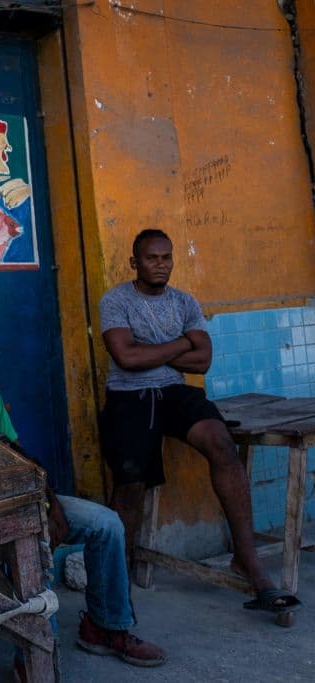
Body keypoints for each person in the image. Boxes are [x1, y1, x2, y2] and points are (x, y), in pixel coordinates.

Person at [0, 330, 166, 670]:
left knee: (107, 524)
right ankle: (35, 657)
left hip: (28, 498)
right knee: (31, 548)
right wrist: (34, 514)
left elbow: (22, 459)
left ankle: (106, 627)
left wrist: (52, 506)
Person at [99, 228, 301, 615]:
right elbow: (127, 359)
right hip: (129, 397)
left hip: (174, 394)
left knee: (221, 442)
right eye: (152, 258)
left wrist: (151, 351)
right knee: (130, 484)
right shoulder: (116, 300)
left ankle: (248, 562)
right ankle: (115, 582)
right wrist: (178, 345)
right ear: (134, 263)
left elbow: (202, 361)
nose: (161, 265)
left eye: (166, 257)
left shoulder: (185, 302)